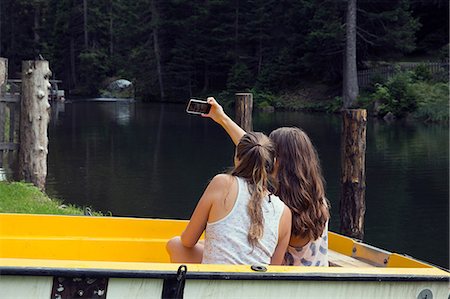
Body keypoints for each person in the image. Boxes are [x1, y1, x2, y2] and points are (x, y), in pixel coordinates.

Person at [203, 97, 330, 267]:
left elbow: (255, 152)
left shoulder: (280, 208)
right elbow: (255, 149)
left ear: (276, 160)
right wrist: (222, 118)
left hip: (282, 286)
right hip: (315, 283)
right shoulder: (317, 202)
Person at [166, 132, 292, 265]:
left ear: (236, 158)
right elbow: (273, 270)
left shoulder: (222, 183)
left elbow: (187, 241)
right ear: (273, 164)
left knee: (176, 244)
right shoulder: (285, 213)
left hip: (214, 282)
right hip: (254, 284)